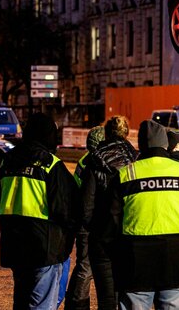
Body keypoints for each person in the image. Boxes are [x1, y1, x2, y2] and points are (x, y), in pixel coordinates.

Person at [103, 120, 179, 310]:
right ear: (165, 144)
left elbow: (109, 224)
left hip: (135, 260)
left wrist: (118, 252)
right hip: (178, 258)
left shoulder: (125, 175)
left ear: (141, 145)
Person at [0, 112, 81, 310]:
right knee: (42, 304)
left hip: (15, 245)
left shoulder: (8, 161)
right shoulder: (51, 165)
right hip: (44, 247)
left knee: (21, 301)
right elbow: (65, 210)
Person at [80, 115, 137, 310]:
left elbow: (86, 207)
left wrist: (92, 228)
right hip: (130, 235)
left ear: (106, 133)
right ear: (127, 133)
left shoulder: (95, 160)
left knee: (106, 298)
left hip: (102, 237)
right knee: (128, 296)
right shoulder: (137, 160)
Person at [65, 126, 105, 310]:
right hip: (96, 222)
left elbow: (74, 192)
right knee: (90, 267)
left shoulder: (83, 161)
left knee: (84, 267)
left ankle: (77, 303)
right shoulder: (102, 161)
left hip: (83, 223)